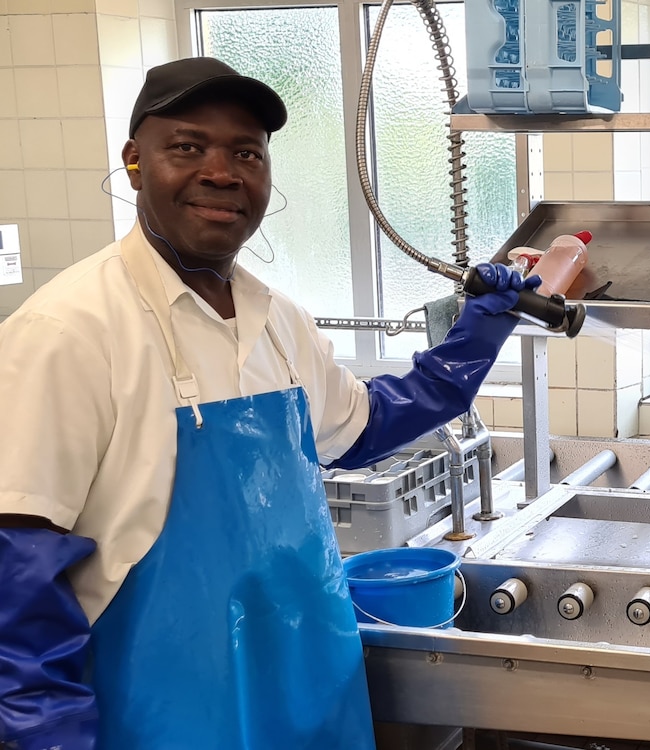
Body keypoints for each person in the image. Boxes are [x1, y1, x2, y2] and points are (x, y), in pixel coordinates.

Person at [0, 57, 539, 750]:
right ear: (135, 161)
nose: (222, 172)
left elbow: (365, 426)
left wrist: (480, 329)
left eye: (246, 153)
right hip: (165, 715)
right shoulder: (67, 332)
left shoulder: (278, 319)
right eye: (188, 147)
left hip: (309, 689)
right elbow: (16, 576)